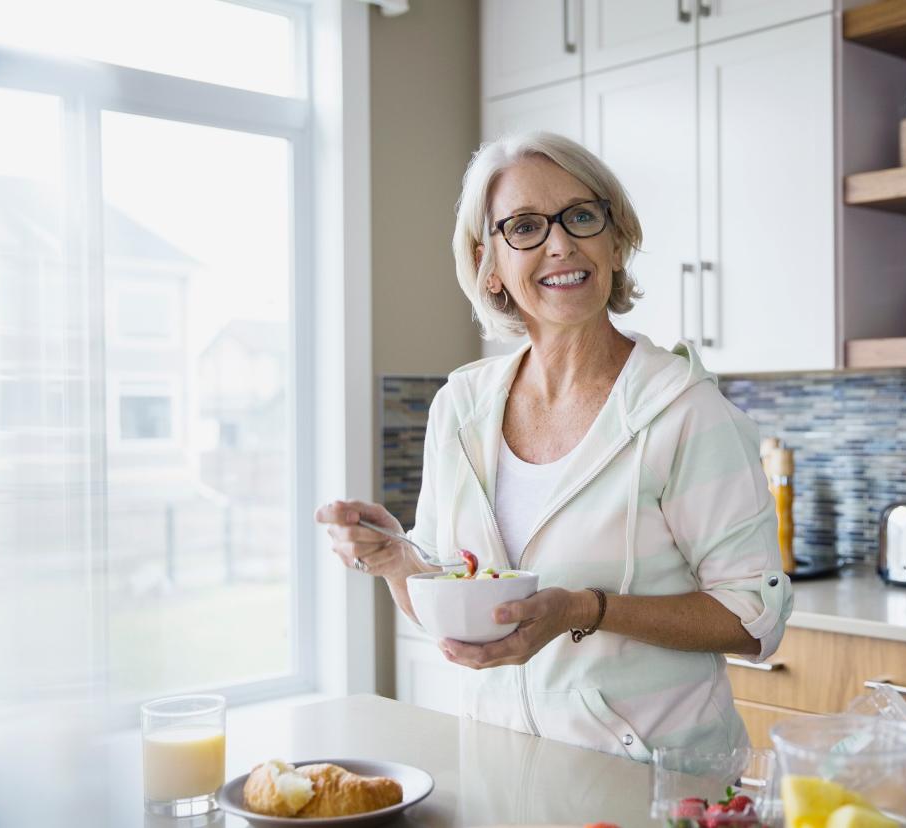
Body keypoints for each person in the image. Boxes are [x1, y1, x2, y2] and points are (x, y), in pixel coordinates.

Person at [316, 131, 792, 761]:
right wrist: (396, 560)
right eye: (525, 226)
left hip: (657, 786)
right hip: (503, 774)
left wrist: (583, 609)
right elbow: (446, 605)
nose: (560, 243)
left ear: (616, 240)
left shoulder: (684, 411)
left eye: (581, 216)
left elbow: (754, 617)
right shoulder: (460, 407)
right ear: (490, 265)